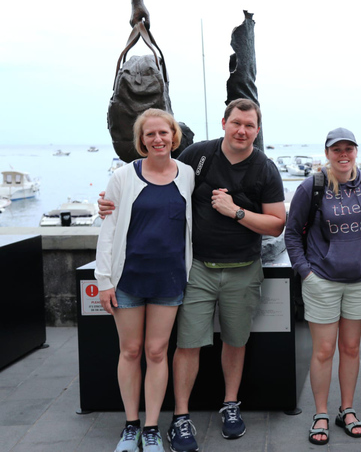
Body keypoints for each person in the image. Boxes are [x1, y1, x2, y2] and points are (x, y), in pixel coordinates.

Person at [100, 98, 286, 452]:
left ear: (257, 130)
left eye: (249, 125)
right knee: (186, 345)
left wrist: (237, 213)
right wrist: (110, 200)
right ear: (224, 123)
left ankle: (230, 405)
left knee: (235, 341)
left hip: (243, 269)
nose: (242, 130)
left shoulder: (265, 168)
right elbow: (155, 175)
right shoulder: (196, 158)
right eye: (236, 123)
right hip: (196, 268)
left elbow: (277, 225)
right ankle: (180, 417)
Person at [95, 109, 194, 452]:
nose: (157, 139)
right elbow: (107, 231)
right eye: (150, 134)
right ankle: (131, 425)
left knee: (156, 351)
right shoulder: (122, 178)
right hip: (128, 278)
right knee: (130, 350)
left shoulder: (188, 175)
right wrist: (104, 280)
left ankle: (151, 428)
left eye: (163, 133)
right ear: (141, 140)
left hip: (169, 279)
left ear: (173, 136)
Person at [284, 127, 361, 445]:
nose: (343, 154)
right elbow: (292, 232)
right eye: (336, 149)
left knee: (351, 349)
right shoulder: (313, 186)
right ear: (327, 153)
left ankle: (347, 410)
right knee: (323, 351)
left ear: (355, 152)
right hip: (321, 279)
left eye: (349, 148)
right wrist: (305, 272)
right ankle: (320, 414)